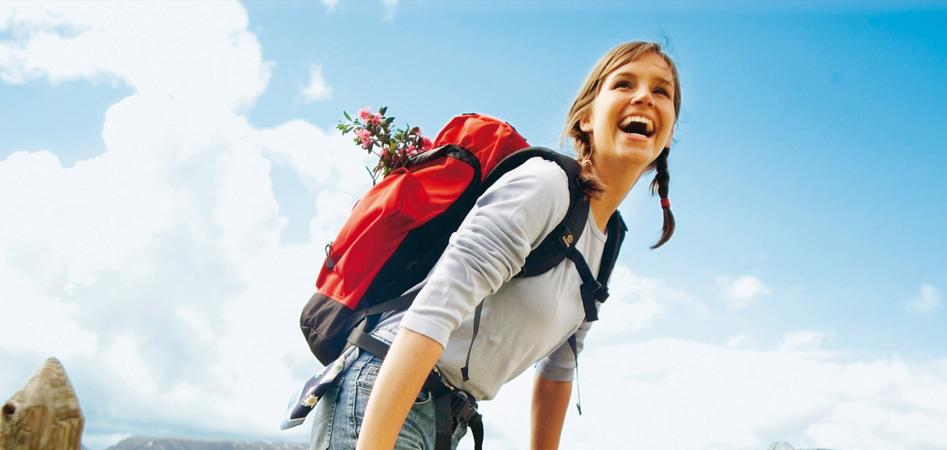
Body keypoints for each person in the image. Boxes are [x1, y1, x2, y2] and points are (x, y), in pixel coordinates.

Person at [309, 40, 682, 450]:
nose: (644, 97)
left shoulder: (607, 244)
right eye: (625, 84)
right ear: (587, 118)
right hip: (382, 389)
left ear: (670, 132)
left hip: (443, 417)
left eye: (661, 91)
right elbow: (433, 312)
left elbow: (558, 370)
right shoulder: (545, 186)